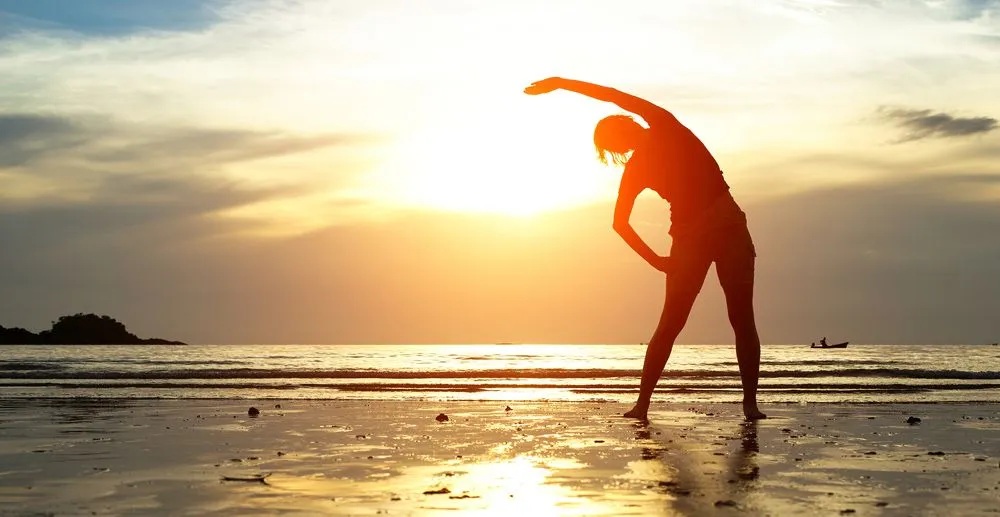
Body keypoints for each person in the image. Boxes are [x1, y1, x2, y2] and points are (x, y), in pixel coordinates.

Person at [524, 77, 766, 421]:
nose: (622, 146)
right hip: (693, 238)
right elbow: (619, 222)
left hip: (727, 230)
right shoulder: (642, 159)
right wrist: (658, 261)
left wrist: (562, 83)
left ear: (627, 127)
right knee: (675, 323)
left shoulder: (663, 125)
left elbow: (612, 96)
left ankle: (747, 404)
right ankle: (643, 404)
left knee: (737, 319)